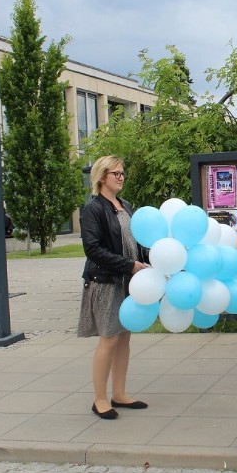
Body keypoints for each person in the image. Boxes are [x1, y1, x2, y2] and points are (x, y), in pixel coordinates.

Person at [78, 155, 150, 420]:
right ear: (101, 177)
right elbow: (93, 249)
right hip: (107, 281)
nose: (121, 177)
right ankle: (100, 399)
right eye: (115, 173)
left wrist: (146, 260)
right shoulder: (93, 209)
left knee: (124, 339)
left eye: (122, 173)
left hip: (129, 281)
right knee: (108, 340)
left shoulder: (125, 205)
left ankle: (119, 394)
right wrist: (128, 265)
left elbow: (136, 240)